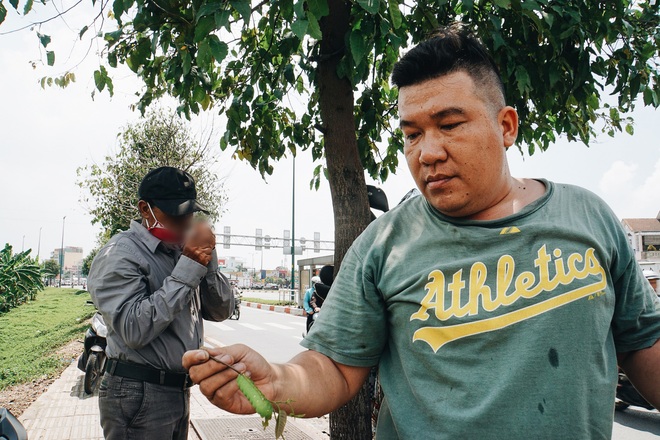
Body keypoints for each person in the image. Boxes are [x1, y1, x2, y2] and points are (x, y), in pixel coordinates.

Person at [182, 25, 660, 439]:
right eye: (411, 134)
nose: (426, 152)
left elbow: (643, 342)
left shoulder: (589, 216)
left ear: (507, 125)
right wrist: (280, 383)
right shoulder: (383, 245)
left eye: (449, 124)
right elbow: (334, 366)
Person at [88, 166, 234, 440]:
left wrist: (207, 263)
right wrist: (189, 268)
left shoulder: (181, 252)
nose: (185, 223)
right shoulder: (120, 254)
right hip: (138, 393)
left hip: (178, 392)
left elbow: (221, 311)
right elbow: (133, 329)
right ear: (145, 210)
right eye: (175, 215)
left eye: (189, 214)